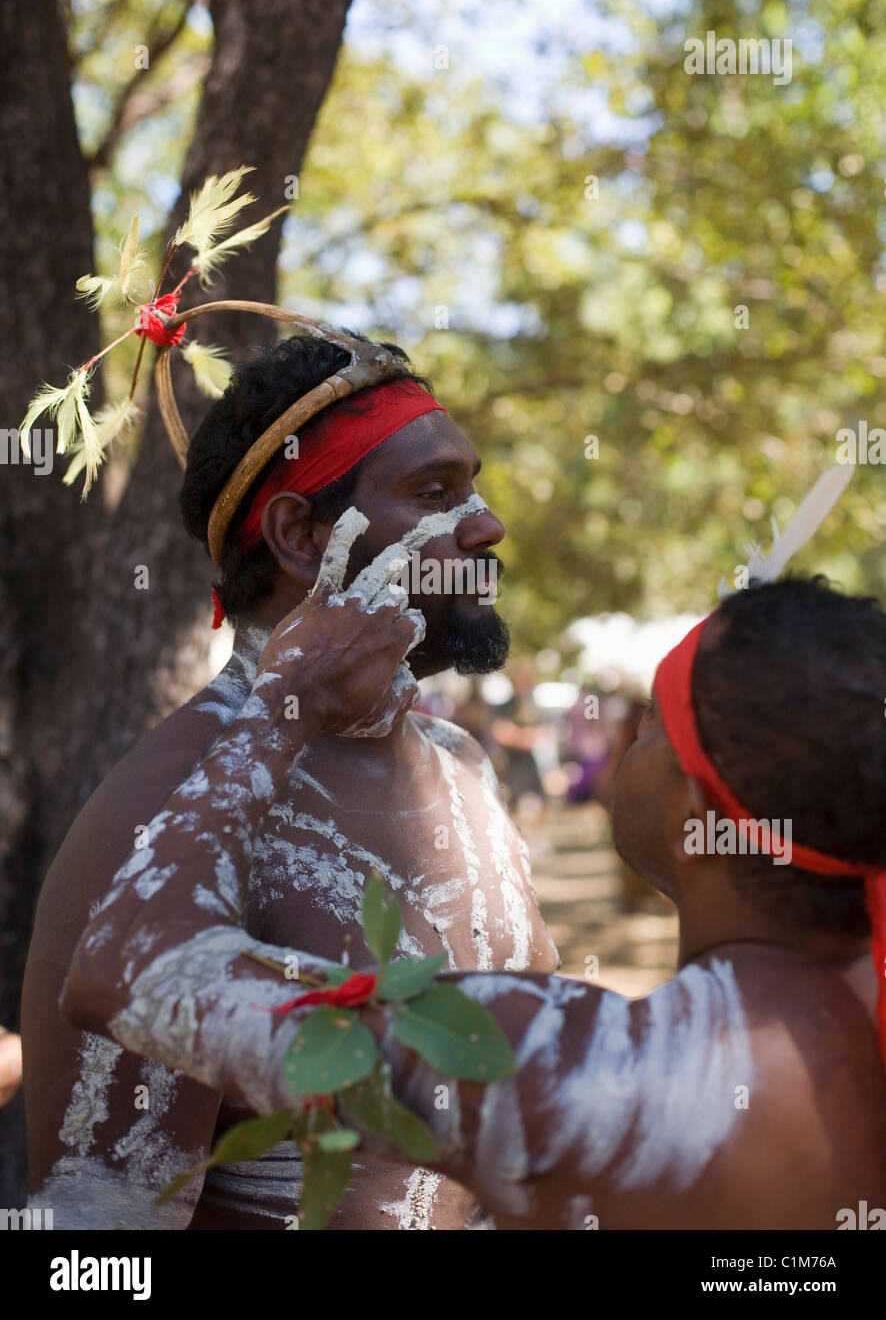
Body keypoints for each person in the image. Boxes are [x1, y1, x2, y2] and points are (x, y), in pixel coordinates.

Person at [62, 575, 886, 1229]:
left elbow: (125, 968)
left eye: (649, 733)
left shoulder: (573, 1063)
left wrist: (284, 703)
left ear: (698, 819)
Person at [22, 333, 558, 1231]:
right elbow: (97, 1239)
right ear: (303, 536)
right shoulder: (169, 812)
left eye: (471, 483)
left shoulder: (464, 770)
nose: (485, 523)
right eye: (435, 493)